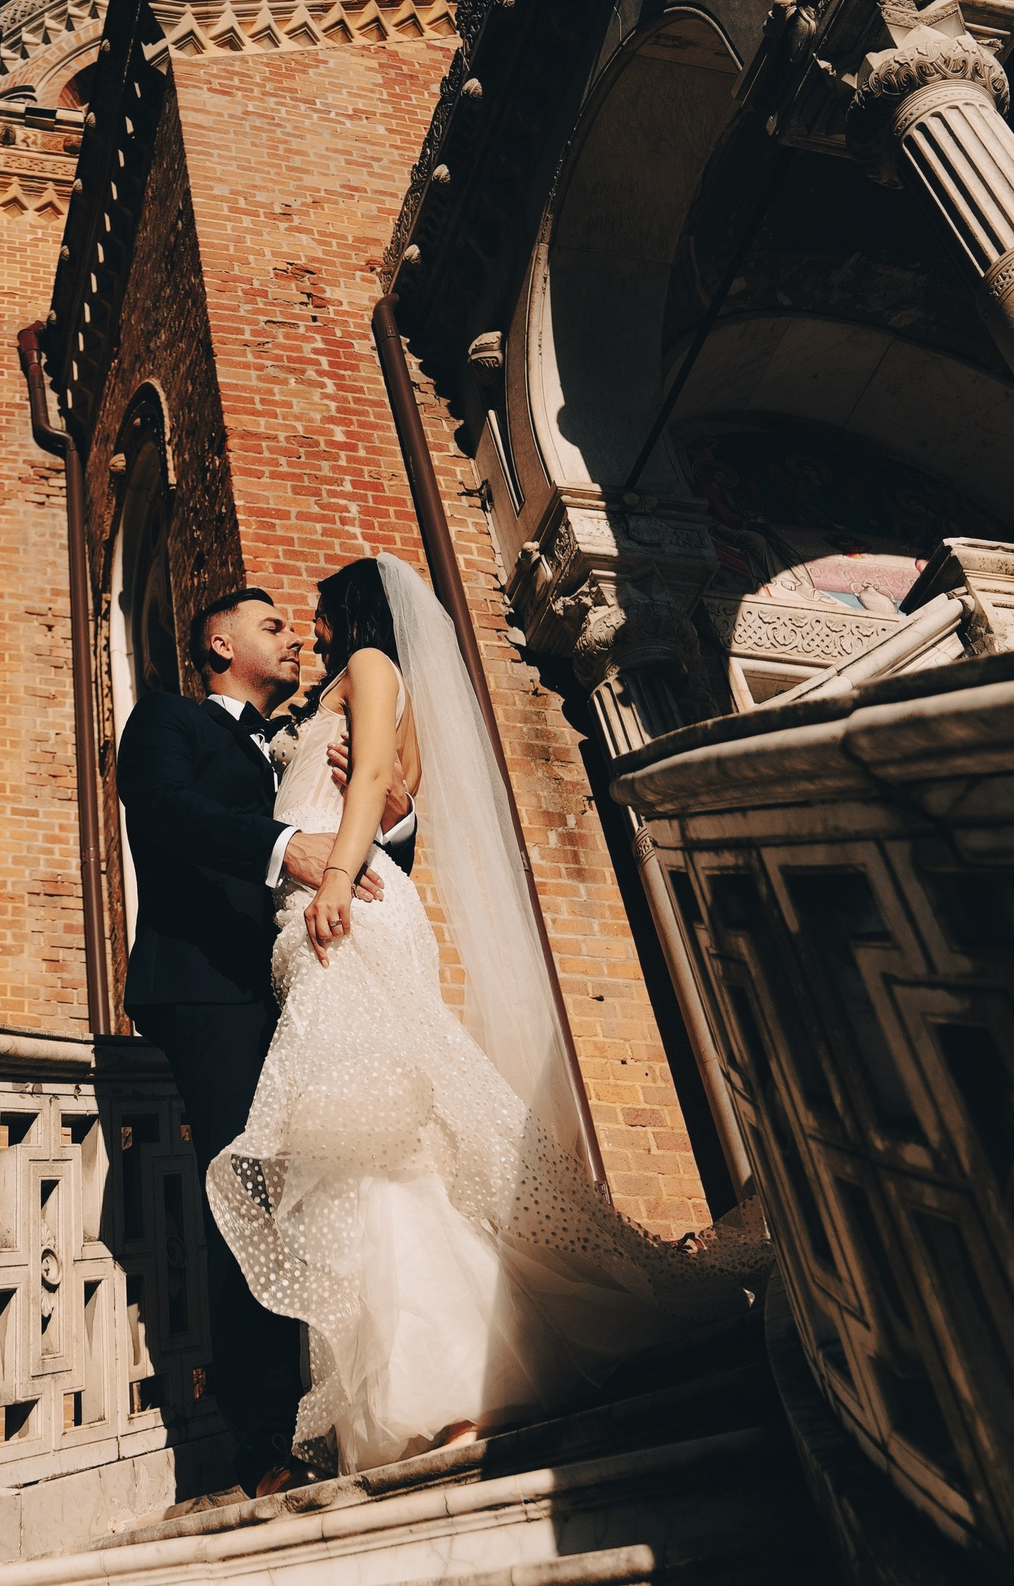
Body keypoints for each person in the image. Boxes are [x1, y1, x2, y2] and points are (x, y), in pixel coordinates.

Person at [206, 556, 765, 1477]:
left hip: (343, 914)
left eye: (317, 615)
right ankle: (427, 1384)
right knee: (360, 1144)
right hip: (315, 924)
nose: (309, 630)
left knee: (377, 1137)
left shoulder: (373, 670)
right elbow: (391, 796)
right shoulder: (349, 692)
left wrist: (339, 877)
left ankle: (449, 1385)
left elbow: (387, 782)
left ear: (354, 613)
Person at [113, 586, 417, 1499]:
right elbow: (161, 811)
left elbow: (363, 812)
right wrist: (285, 844)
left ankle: (352, 1399)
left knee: (331, 1179)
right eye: (271, 625)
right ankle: (262, 1440)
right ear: (217, 641)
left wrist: (387, 814)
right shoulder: (165, 717)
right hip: (207, 987)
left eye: (297, 625)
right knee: (245, 1186)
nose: (293, 639)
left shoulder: (292, 736)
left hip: (301, 978)